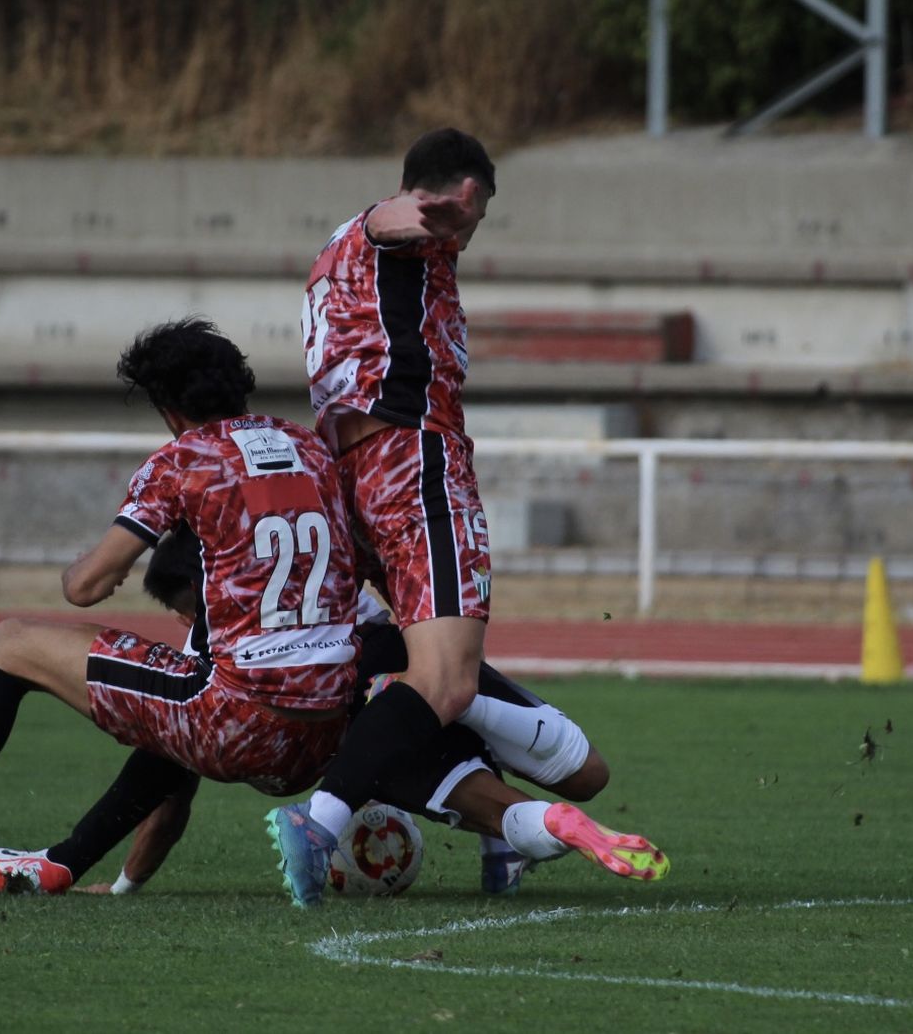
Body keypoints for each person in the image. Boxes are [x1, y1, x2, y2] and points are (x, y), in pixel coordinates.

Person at [0, 317, 363, 897]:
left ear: (166, 407)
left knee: (12, 642)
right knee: (184, 680)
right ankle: (70, 863)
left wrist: (87, 564)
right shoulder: (307, 446)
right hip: (328, 736)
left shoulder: (183, 459)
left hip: (240, 723)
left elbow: (86, 586)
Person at [269, 128, 664, 906]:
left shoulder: (333, 253)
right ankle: (318, 821)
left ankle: (496, 838)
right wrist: (438, 213)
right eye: (469, 212)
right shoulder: (399, 230)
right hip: (415, 462)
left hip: (356, 474)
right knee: (446, 679)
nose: (468, 231)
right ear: (449, 192)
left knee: (444, 660)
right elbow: (397, 216)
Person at [0, 524, 666, 899]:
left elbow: (167, 784)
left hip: (358, 717)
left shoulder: (214, 644)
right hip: (405, 666)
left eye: (181, 604)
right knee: (586, 773)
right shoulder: (312, 566)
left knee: (497, 803)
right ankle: (474, 730)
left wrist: (127, 882)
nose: (185, 617)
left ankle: (519, 826)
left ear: (194, 592)